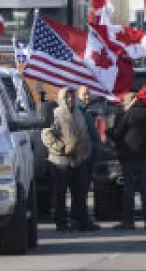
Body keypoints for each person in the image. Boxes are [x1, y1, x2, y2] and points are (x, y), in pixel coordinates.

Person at [42, 87, 91, 232]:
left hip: (78, 160)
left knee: (80, 192)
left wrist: (85, 150)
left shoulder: (79, 114)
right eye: (67, 97)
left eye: (72, 97)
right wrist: (61, 148)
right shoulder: (56, 114)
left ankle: (80, 221)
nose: (70, 100)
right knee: (60, 194)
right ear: (62, 99)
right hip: (59, 161)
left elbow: (84, 133)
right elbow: (47, 135)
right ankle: (61, 222)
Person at [109, 90, 146, 230]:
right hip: (144, 157)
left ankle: (128, 221)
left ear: (129, 102)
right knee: (145, 191)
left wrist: (107, 132)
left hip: (129, 157)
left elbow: (117, 134)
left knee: (129, 191)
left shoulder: (128, 115)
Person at [76, 86, 106, 231]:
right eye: (84, 94)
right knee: (81, 190)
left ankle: (82, 219)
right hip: (83, 156)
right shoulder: (78, 111)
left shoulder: (85, 111)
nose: (87, 96)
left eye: (88, 94)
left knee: (84, 190)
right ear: (78, 95)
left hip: (89, 154)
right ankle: (81, 221)